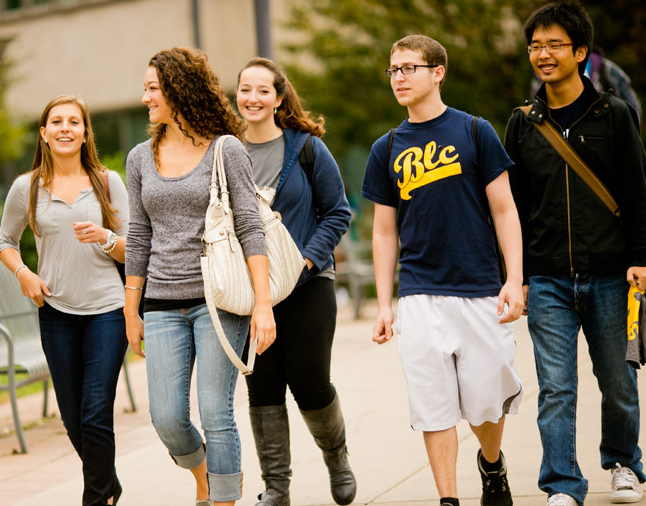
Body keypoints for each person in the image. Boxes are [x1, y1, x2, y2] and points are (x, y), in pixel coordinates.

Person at [361, 35, 524, 506]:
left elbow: (504, 210)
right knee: (433, 408)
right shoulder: (386, 147)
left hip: (479, 290)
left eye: (409, 68)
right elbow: (384, 232)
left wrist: (513, 279)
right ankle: (448, 499)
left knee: (485, 403)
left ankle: (491, 463)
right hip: (419, 294)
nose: (399, 78)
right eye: (393, 69)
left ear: (438, 72)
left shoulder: (475, 131)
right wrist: (385, 303)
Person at [504, 3, 646, 505]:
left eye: (554, 45)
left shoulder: (614, 114)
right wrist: (515, 276)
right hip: (546, 279)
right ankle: (562, 484)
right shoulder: (523, 123)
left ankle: (625, 463)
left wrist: (640, 257)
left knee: (618, 383)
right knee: (556, 389)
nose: (542, 55)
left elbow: (636, 192)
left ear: (581, 52)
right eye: (535, 46)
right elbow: (512, 209)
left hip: (610, 273)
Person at [124, 47, 276, 506]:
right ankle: (205, 476)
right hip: (162, 304)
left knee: (215, 411)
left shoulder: (225, 148)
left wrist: (263, 304)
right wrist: (132, 310)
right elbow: (137, 235)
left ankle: (224, 501)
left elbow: (250, 226)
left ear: (177, 89)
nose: (145, 96)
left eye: (153, 87)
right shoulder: (139, 157)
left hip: (220, 301)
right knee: (167, 417)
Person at [0, 95, 129, 506]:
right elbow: (5, 242)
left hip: (107, 309)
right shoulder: (27, 188)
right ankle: (110, 485)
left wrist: (105, 238)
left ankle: (96, 498)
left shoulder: (108, 182)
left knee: (94, 414)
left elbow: (133, 249)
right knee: (72, 420)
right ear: (44, 133)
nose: (65, 128)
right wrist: (24, 273)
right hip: (55, 311)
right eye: (57, 121)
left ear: (86, 132)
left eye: (75, 121)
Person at [235, 57, 355, 506]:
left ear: (279, 98)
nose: (253, 98)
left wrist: (305, 261)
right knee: (262, 386)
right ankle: (277, 487)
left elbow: (338, 211)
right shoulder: (225, 151)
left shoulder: (305, 147)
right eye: (245, 89)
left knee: (309, 380)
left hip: (308, 284)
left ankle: (336, 458)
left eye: (263, 90)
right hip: (251, 290)